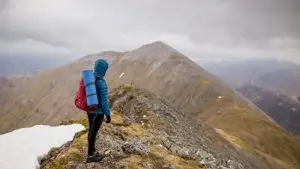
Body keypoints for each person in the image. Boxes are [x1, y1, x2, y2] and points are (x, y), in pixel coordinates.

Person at [86, 59, 111, 163]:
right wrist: (108, 115)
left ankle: (92, 151)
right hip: (98, 112)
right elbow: (104, 102)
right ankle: (90, 155)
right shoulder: (101, 83)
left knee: (91, 130)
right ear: (103, 70)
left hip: (90, 110)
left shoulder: (89, 80)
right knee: (93, 132)